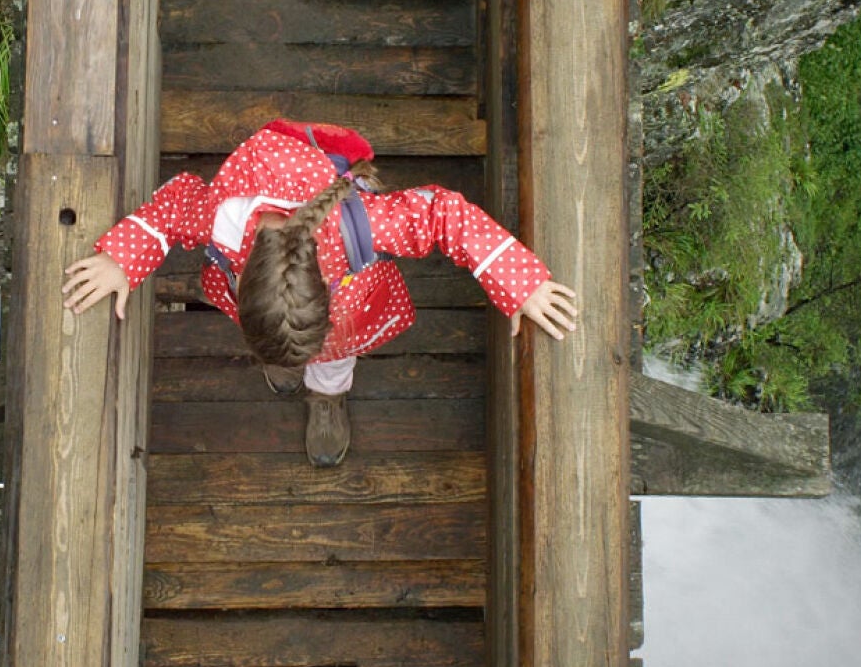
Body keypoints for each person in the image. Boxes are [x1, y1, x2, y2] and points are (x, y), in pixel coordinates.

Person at [62, 120, 577, 466]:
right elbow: (174, 206)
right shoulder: (223, 221)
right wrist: (121, 260)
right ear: (242, 279)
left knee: (332, 358)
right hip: (271, 301)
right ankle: (285, 358)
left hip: (342, 310)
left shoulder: (364, 225)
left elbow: (443, 213)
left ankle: (326, 391)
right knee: (284, 339)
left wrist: (520, 281)